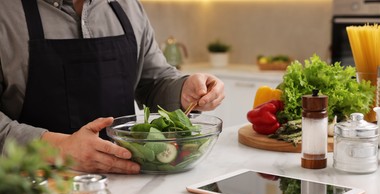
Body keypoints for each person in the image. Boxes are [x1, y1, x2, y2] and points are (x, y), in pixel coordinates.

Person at [0, 0, 224, 174]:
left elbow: (154, 82)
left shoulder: (128, 6)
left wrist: (184, 90)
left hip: (126, 183)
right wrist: (58, 148)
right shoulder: (6, 12)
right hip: (29, 192)